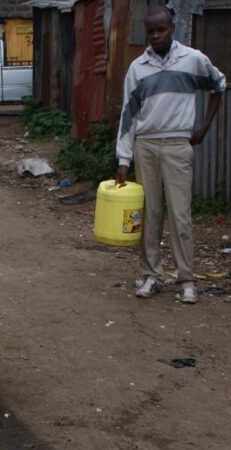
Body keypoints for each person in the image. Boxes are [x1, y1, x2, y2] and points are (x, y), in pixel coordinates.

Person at [116, 6, 226, 304]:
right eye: (150, 31)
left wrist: (204, 127)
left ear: (171, 29)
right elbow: (128, 114)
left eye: (161, 30)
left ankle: (186, 280)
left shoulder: (192, 60)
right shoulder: (138, 68)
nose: (155, 36)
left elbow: (219, 84)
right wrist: (124, 159)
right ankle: (151, 275)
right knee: (150, 214)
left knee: (180, 215)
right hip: (146, 146)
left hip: (178, 145)